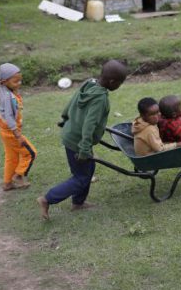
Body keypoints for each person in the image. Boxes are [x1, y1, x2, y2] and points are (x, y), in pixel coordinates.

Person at [37, 60, 128, 220]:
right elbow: (89, 124)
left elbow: (73, 100)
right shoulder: (100, 98)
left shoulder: (89, 83)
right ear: (112, 81)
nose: (119, 87)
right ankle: (47, 199)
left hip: (72, 134)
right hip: (78, 142)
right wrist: (85, 148)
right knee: (81, 178)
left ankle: (78, 203)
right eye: (119, 84)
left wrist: (65, 118)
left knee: (88, 169)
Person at [0, 63, 37, 191]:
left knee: (11, 157)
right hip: (11, 132)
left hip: (4, 130)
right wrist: (17, 134)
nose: (19, 83)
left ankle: (7, 183)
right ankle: (19, 175)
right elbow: (8, 116)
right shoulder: (8, 97)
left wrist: (13, 87)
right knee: (30, 153)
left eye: (20, 80)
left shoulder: (4, 89)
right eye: (15, 81)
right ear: (4, 81)